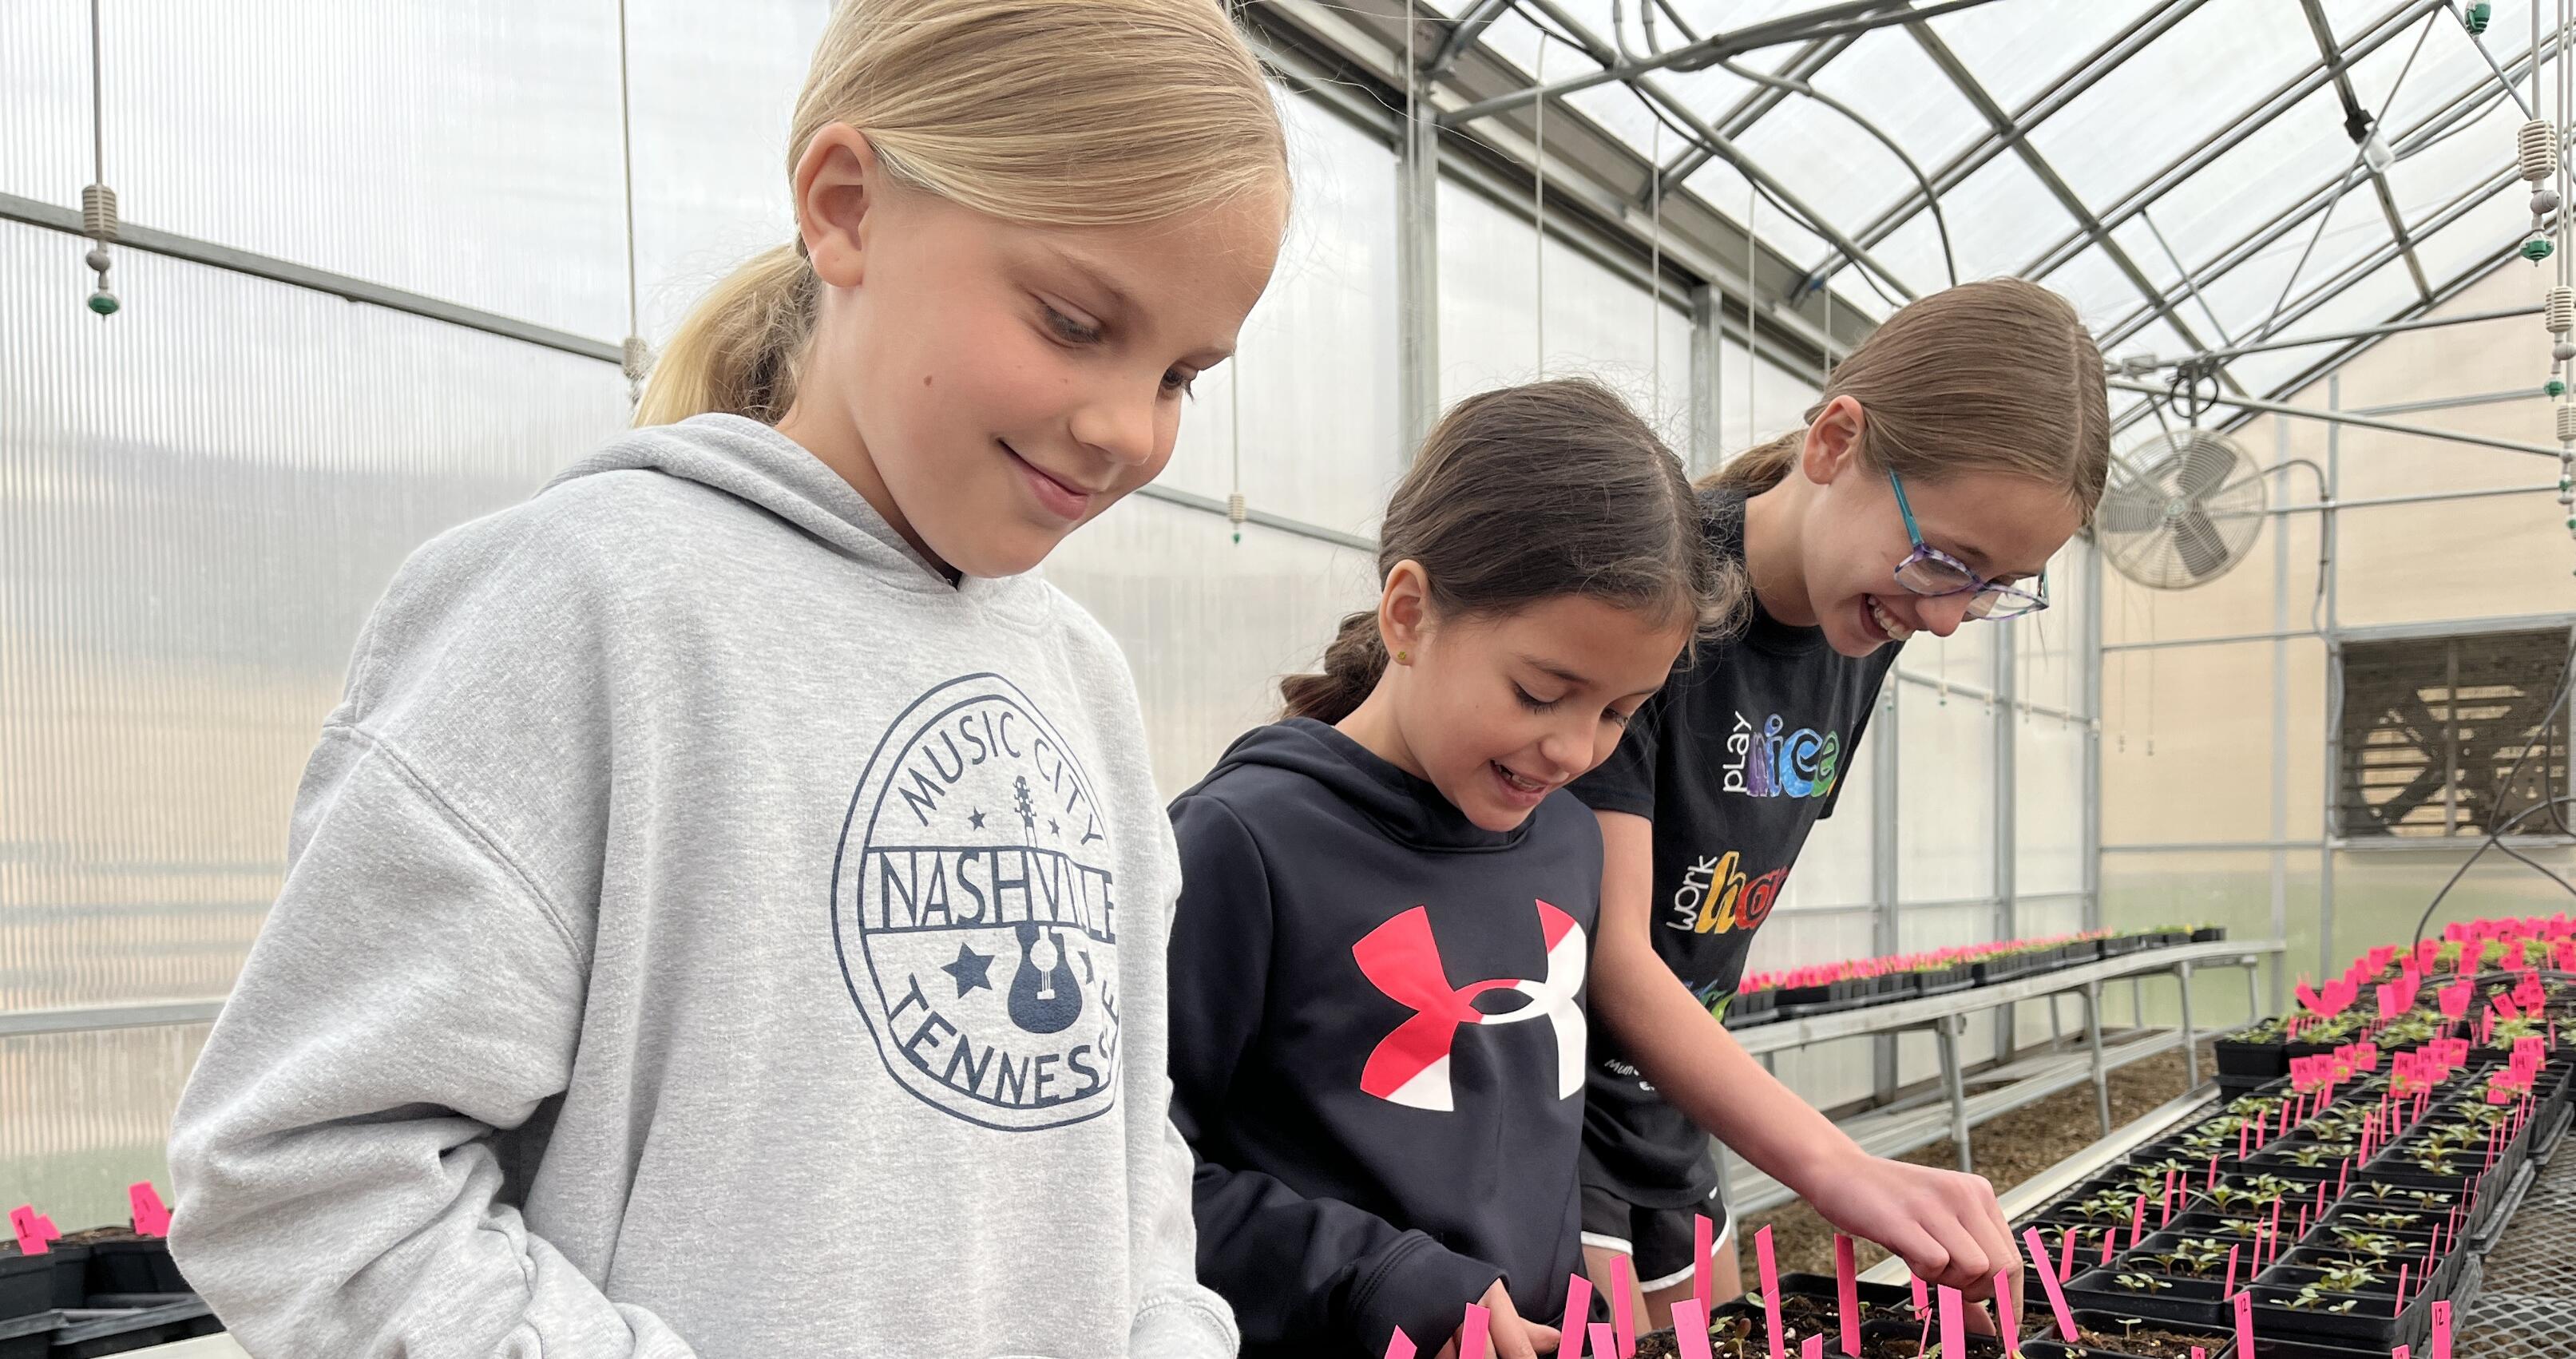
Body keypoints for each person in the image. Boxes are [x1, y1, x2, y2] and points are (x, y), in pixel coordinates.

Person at [164, 3, 1289, 1355]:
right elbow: (308, 1180)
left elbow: (1117, 1145)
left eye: (1180, 375)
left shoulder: (1083, 681)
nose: (1126, 429)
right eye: (1072, 321)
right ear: (846, 206)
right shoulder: (589, 606)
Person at [1573, 278, 2112, 1327]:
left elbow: (1717, 904)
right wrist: (1835, 1164)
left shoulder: (1859, 626)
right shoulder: (1653, 591)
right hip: (1546, 1109)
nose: (1948, 617)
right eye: (1945, 560)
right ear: (1833, 442)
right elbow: (1613, 955)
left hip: (1673, 1117)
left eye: (1994, 586)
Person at [1166, 380, 1730, 1359]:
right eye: (1539, 693)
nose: (1574, 751)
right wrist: (1374, 1276)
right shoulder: (1241, 843)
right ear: (1408, 613)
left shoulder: (1568, 844)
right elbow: (1130, 1173)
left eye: (1618, 712)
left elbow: (1528, 1147)